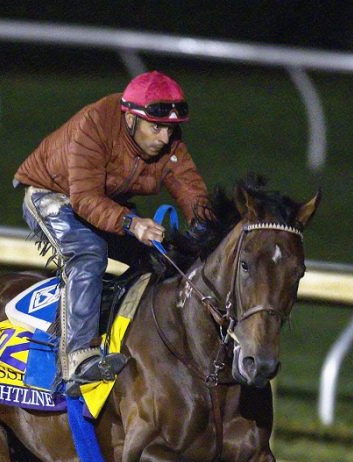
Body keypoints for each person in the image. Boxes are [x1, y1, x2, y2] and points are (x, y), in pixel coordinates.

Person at [14, 70, 209, 395]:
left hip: (102, 201)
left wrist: (211, 233)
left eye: (170, 129)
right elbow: (85, 200)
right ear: (130, 118)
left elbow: (193, 194)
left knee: (161, 258)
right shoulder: (94, 124)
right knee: (89, 252)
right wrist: (133, 224)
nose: (164, 138)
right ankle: (77, 357)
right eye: (156, 127)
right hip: (53, 194)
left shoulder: (169, 146)